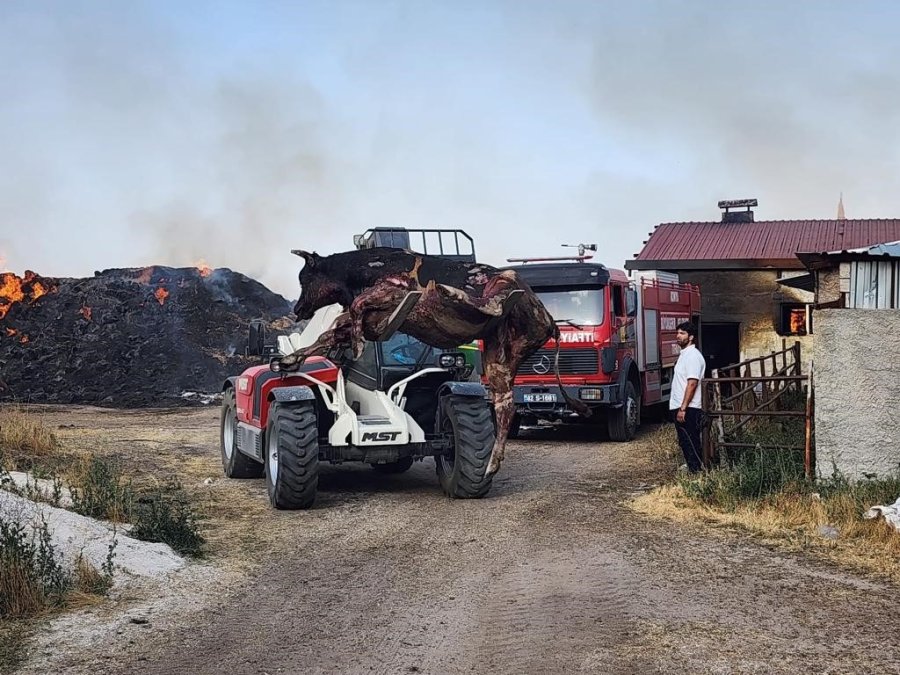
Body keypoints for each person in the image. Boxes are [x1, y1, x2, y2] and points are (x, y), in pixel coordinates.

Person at [670, 321, 706, 472]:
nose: (678, 336)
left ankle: (697, 472)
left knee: (690, 441)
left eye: (682, 333)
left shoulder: (692, 356)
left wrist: (683, 408)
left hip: (689, 408)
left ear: (691, 337)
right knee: (685, 441)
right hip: (681, 406)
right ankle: (694, 470)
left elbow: (692, 383)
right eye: (678, 333)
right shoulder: (684, 355)